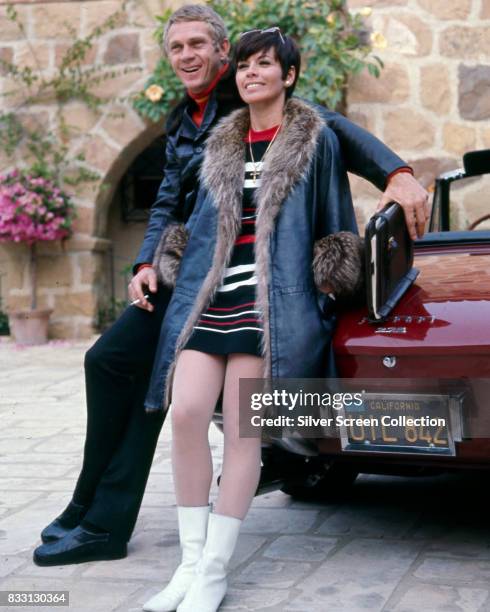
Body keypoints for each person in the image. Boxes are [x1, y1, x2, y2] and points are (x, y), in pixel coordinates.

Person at [33, 4, 429, 567]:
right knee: (109, 361)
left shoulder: (246, 96)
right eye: (177, 47)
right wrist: (145, 262)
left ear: (225, 53)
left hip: (236, 281)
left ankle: (105, 522)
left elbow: (331, 127)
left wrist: (397, 172)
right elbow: (168, 197)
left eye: (200, 45)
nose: (188, 56)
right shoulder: (180, 119)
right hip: (189, 270)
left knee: (158, 382)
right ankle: (85, 507)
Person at [143, 27, 362, 612]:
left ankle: (214, 572)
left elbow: (336, 224)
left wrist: (322, 290)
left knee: (242, 431)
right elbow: (191, 216)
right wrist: (167, 260)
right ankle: (188, 565)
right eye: (243, 66)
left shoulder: (316, 142)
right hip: (212, 297)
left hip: (272, 303)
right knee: (187, 414)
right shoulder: (221, 143)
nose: (251, 74)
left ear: (288, 75)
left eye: (264, 65)